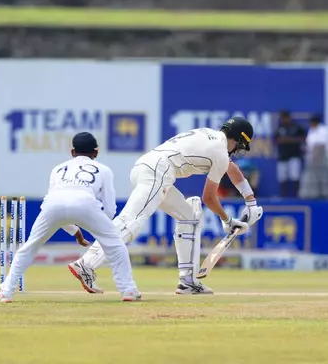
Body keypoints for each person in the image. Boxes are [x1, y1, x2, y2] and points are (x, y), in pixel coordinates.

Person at [68, 117, 263, 295]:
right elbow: (209, 198)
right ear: (237, 139)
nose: (236, 151)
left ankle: (188, 281)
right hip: (158, 172)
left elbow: (232, 169)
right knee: (131, 221)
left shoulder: (208, 135)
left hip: (148, 168)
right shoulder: (220, 152)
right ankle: (86, 264)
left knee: (190, 217)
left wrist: (250, 201)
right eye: (239, 146)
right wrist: (227, 220)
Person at [0, 132, 141, 303]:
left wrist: (75, 232)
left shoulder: (58, 169)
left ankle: (6, 291)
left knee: (30, 246)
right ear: (96, 152)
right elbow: (110, 208)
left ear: (72, 152)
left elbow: (61, 208)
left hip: (53, 204)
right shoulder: (104, 170)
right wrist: (102, 230)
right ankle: (128, 291)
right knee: (116, 246)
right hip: (85, 203)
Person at [275, 110, 306, 197]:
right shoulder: (280, 128)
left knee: (295, 176)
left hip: (294, 155)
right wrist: (280, 141)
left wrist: (289, 140)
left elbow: (303, 139)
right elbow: (275, 140)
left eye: (285, 118)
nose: (283, 120)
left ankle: (297, 196)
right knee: (282, 178)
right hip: (282, 156)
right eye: (282, 118)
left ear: (288, 118)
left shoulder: (296, 127)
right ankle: (283, 197)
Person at [300, 114, 328, 199]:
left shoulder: (323, 130)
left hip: (322, 158)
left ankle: (325, 194)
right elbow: (310, 144)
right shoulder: (311, 131)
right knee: (312, 177)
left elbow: (320, 145)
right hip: (312, 158)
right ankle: (314, 194)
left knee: (323, 177)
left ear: (315, 122)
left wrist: (315, 157)